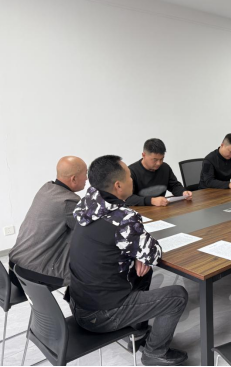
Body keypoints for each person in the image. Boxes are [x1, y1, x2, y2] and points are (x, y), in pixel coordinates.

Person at [70, 155, 189, 366]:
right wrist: (140, 253)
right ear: (118, 185)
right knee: (177, 296)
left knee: (144, 272)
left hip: (80, 303)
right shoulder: (123, 218)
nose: (132, 179)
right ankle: (154, 353)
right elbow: (153, 253)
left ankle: (138, 331)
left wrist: (136, 253)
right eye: (129, 176)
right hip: (101, 315)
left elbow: (123, 245)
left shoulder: (87, 204)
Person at [9, 156, 87, 290]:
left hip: (15, 267)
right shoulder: (68, 201)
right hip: (34, 275)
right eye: (85, 174)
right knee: (95, 264)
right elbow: (90, 230)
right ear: (73, 179)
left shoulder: (46, 188)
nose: (87, 178)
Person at [127, 138, 192, 207]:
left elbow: (174, 185)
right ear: (144, 155)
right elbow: (128, 198)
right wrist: (152, 201)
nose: (159, 163)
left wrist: (183, 192)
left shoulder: (165, 167)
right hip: (140, 211)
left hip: (161, 209)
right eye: (155, 159)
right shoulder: (130, 172)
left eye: (161, 159)